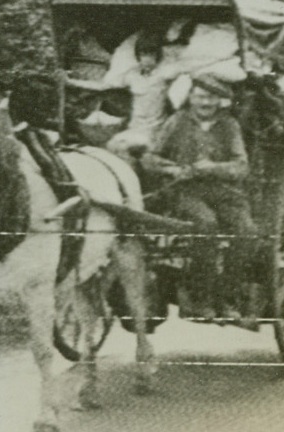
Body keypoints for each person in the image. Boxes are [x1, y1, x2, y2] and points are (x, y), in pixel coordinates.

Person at [142, 74, 256, 327]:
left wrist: (213, 168)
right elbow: (150, 159)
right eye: (200, 96)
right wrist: (170, 169)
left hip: (225, 193)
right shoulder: (177, 122)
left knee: (247, 232)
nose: (205, 102)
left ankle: (228, 299)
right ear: (191, 98)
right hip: (186, 191)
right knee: (205, 225)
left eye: (211, 98)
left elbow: (241, 166)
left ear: (219, 101)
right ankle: (200, 298)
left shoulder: (229, 126)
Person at [106, 32, 170, 157]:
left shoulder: (163, 74)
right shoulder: (132, 75)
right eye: (143, 54)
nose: (147, 59)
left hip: (154, 130)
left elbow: (186, 67)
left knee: (137, 151)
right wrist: (70, 82)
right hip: (135, 128)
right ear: (138, 56)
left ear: (158, 55)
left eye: (151, 54)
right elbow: (104, 85)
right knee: (112, 146)